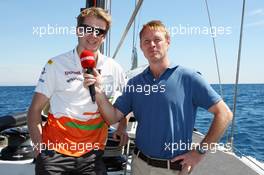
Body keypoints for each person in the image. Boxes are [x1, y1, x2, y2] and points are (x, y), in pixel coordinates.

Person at [84, 20, 233, 175]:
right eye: (146, 41)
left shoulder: (189, 78)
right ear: (141, 47)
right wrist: (98, 92)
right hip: (139, 165)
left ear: (168, 42)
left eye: (157, 40)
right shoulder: (135, 83)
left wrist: (199, 152)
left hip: (172, 169)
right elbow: (112, 117)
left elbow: (224, 114)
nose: (152, 45)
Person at [27, 7, 128, 175]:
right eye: (88, 29)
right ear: (78, 31)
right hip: (54, 155)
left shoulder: (114, 68)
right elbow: (35, 110)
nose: (93, 35)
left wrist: (122, 128)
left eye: (99, 31)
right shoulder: (56, 65)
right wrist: (39, 147)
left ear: (104, 37)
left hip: (93, 156)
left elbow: (124, 105)